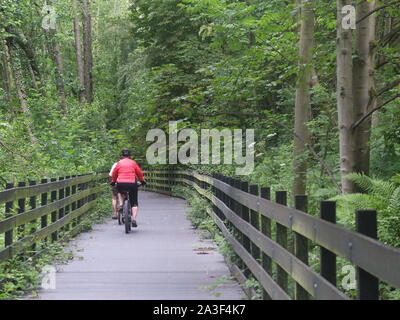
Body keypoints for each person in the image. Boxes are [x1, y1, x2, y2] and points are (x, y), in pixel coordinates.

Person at [111, 149, 146, 227]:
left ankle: (121, 205)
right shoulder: (133, 163)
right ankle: (134, 219)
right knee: (134, 202)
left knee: (120, 192)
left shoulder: (119, 163)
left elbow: (114, 173)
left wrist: (113, 181)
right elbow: (139, 173)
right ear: (130, 156)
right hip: (132, 183)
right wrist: (142, 181)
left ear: (122, 155)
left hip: (121, 183)